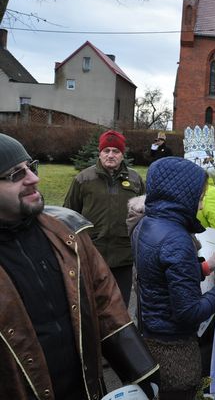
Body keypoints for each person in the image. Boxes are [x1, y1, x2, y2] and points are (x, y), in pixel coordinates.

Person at [0, 133, 159, 400]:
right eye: (16, 175)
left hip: (85, 388)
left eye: (31, 167)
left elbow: (105, 303)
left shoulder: (67, 232)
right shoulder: (83, 180)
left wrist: (140, 369)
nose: (33, 178)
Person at [132, 156, 215, 399]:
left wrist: (203, 267)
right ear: (180, 195)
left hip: (151, 333)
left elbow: (158, 273)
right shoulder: (177, 239)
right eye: (201, 197)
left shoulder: (147, 223)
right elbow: (188, 312)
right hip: (174, 350)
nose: (201, 206)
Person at [64, 129, 145, 306]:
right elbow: (68, 214)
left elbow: (145, 217)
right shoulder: (83, 179)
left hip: (124, 255)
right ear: (100, 154)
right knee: (93, 306)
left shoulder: (136, 180)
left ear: (122, 155)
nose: (110, 155)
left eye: (115, 151)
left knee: (120, 306)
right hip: (92, 254)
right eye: (106, 151)